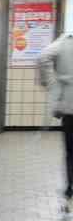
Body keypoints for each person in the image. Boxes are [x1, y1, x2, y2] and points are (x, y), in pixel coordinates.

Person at [39, 31, 73, 206]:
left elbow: (43, 57)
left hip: (69, 106)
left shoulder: (66, 41)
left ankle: (70, 187)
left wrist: (52, 84)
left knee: (71, 151)